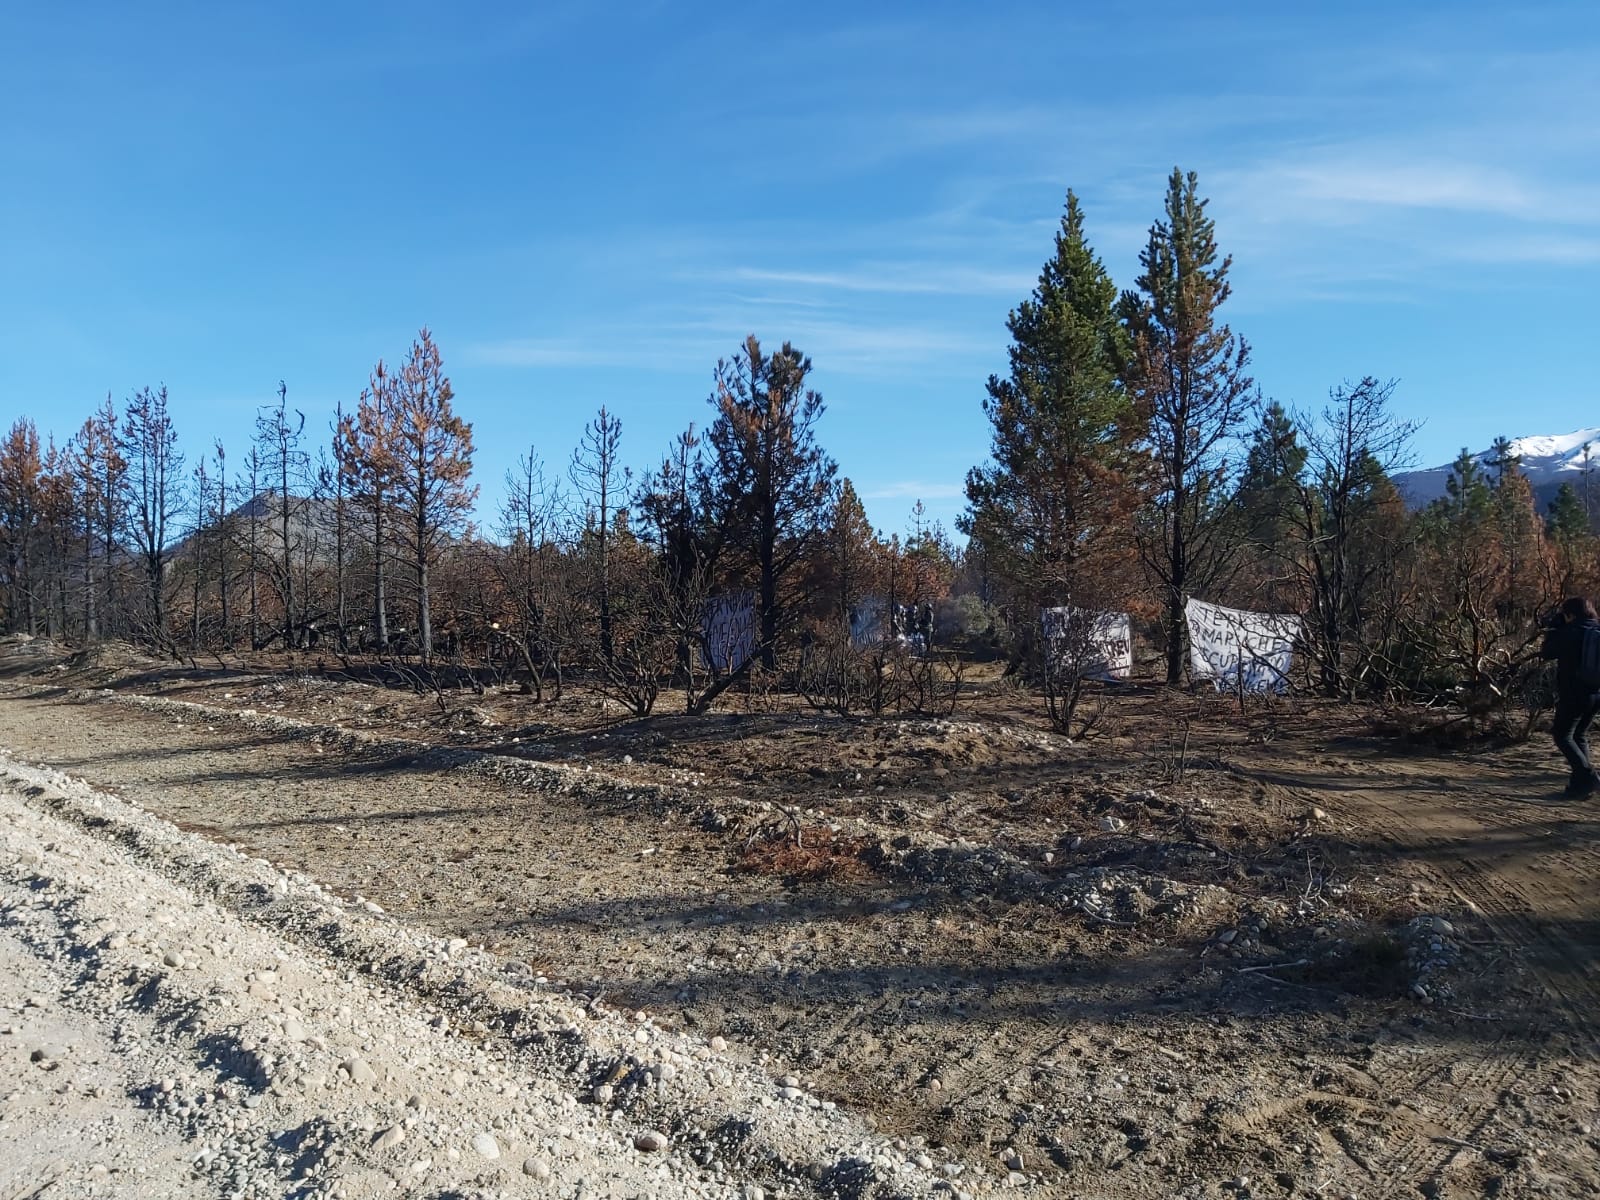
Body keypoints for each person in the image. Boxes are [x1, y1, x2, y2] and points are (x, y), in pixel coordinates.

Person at [1539, 596, 1600, 797]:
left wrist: (1554, 630)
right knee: (1579, 735)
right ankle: (1580, 787)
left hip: (1574, 692)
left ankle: (1588, 776)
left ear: (1570, 614)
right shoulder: (1595, 629)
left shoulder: (1570, 632)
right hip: (1596, 692)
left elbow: (1547, 653)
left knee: (1562, 735)